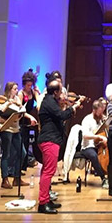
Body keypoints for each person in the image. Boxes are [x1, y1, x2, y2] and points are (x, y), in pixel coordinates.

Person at [37, 80, 79, 213]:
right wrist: (73, 107)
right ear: (55, 92)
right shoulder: (49, 102)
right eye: (60, 91)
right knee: (48, 172)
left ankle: (47, 198)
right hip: (49, 140)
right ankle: (43, 203)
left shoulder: (51, 101)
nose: (62, 94)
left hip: (52, 139)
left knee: (47, 171)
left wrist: (67, 105)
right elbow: (61, 115)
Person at [0, 81, 34, 189]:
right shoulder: (3, 99)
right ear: (9, 90)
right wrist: (9, 103)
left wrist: (29, 116)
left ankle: (17, 177)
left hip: (16, 129)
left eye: (17, 88)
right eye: (14, 89)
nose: (16, 90)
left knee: (22, 153)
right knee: (6, 154)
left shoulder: (18, 99)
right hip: (6, 129)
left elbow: (22, 110)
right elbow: (1, 111)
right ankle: (4, 179)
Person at [79, 99, 109, 186]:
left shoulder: (100, 120)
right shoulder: (87, 120)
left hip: (98, 145)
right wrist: (98, 137)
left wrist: (106, 123)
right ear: (94, 110)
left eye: (102, 112)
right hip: (87, 147)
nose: (101, 115)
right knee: (93, 155)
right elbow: (85, 135)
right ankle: (103, 178)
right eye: (99, 113)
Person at [18, 70, 41, 169]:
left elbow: (39, 103)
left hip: (31, 120)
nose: (29, 87)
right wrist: (30, 116)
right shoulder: (21, 93)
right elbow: (20, 109)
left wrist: (38, 93)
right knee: (23, 143)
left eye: (31, 85)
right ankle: (21, 166)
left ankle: (28, 163)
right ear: (24, 84)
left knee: (31, 143)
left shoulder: (33, 91)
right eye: (28, 85)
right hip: (22, 119)